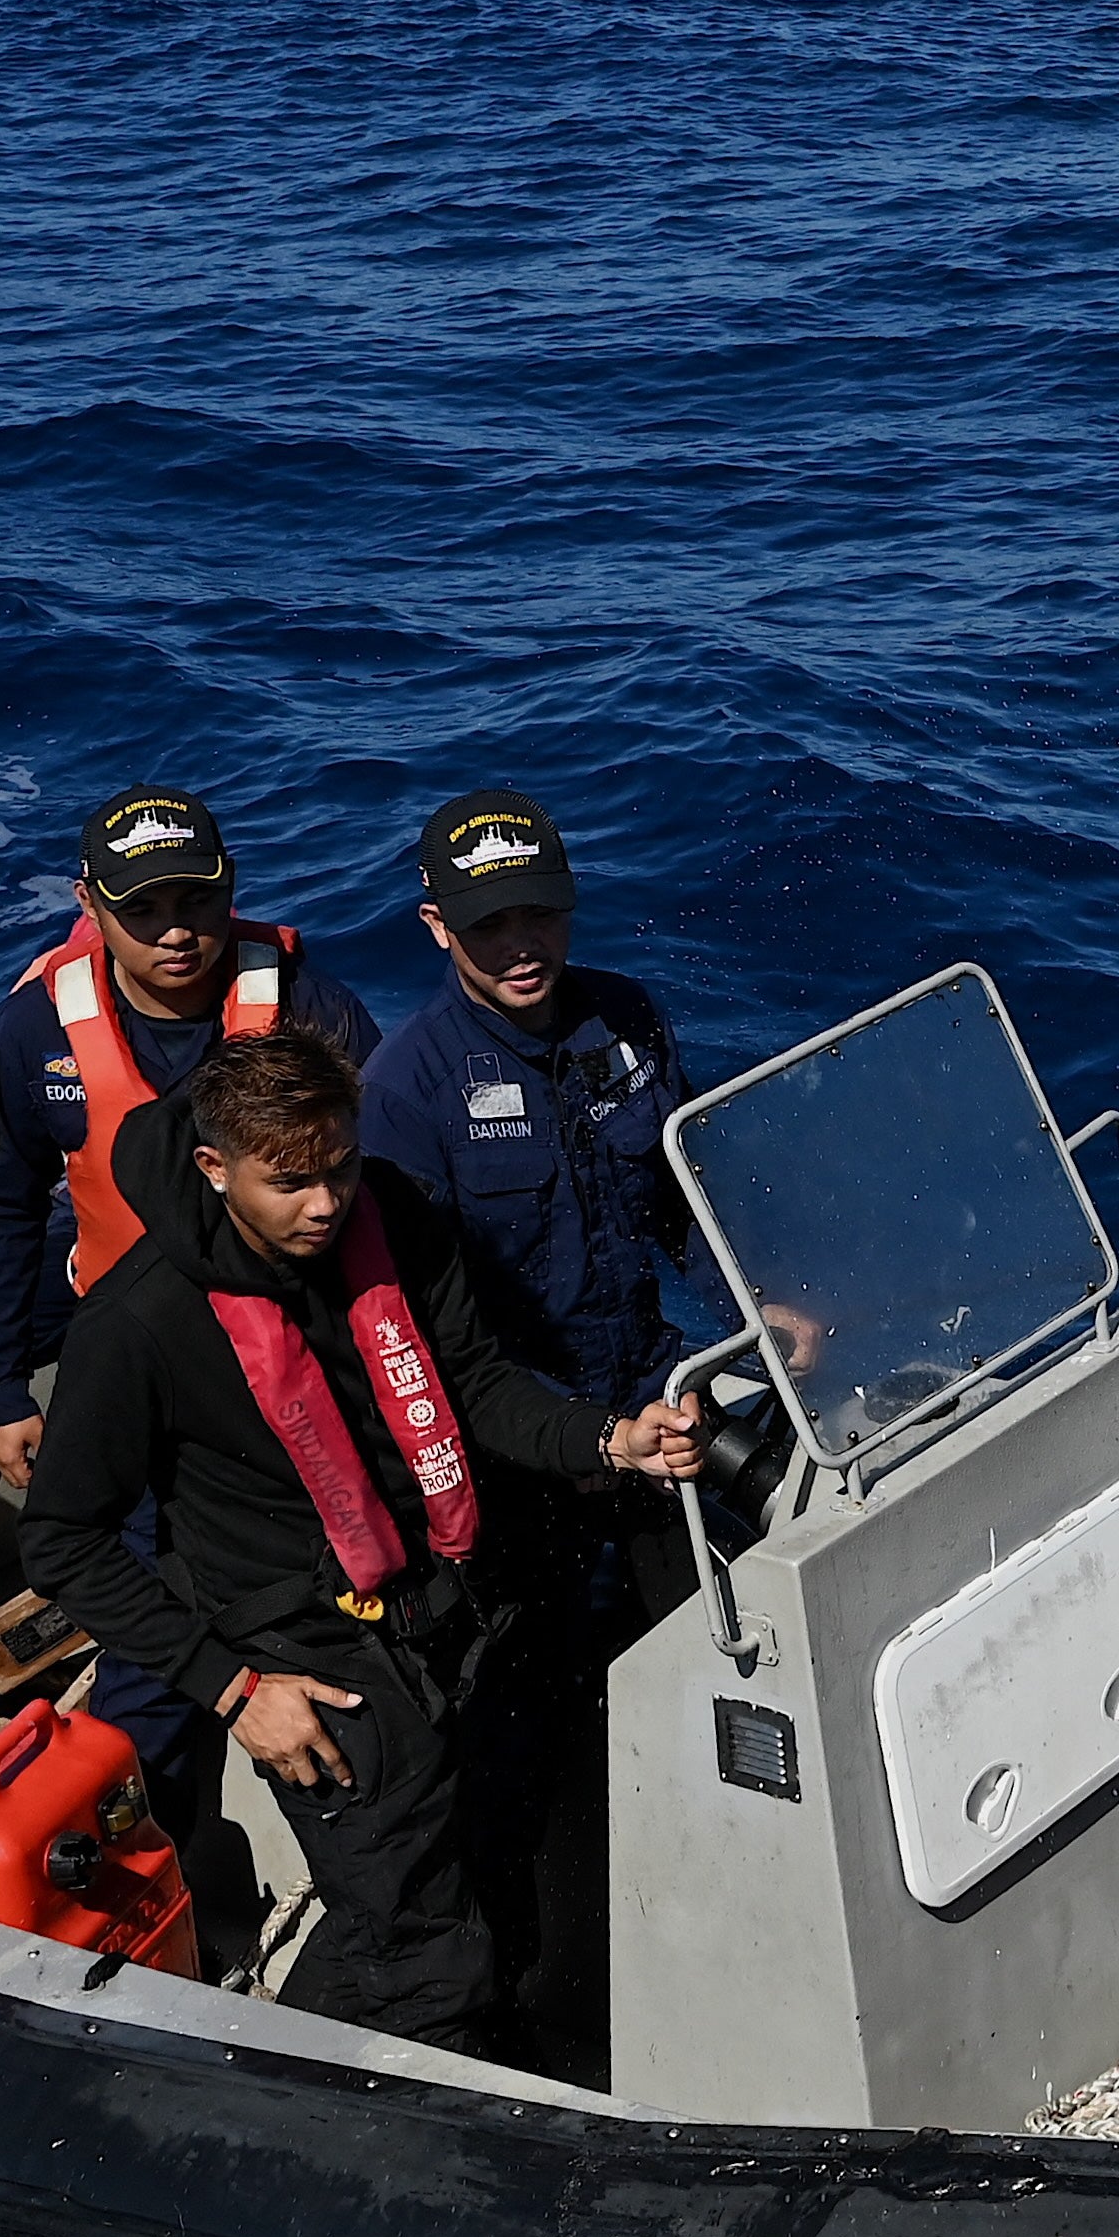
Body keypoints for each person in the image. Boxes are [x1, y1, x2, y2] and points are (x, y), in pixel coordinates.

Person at [18, 1028, 704, 2056]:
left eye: (338, 1167)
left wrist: (610, 1441)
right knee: (425, 1957)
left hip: (454, 1600)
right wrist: (234, 1692)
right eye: (290, 1183)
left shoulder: (396, 1216)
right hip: (310, 1669)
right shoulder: (139, 1324)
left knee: (506, 1869)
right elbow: (62, 1543)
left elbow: (475, 1386)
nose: (326, 1204)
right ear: (214, 1169)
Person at [0, 785, 377, 1869]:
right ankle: (177, 1875)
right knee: (150, 1671)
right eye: (144, 910)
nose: (177, 930)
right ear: (91, 905)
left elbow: (386, 1199)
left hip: (296, 1380)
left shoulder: (312, 1010)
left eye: (197, 900)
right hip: (136, 1383)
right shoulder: (37, 1027)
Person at [354, 788, 706, 2078]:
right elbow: (428, 1351)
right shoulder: (406, 1092)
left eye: (540, 913)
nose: (522, 944)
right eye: (491, 921)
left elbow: (688, 1194)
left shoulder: (629, 1019)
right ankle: (562, 2023)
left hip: (662, 1411)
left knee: (703, 1676)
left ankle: (714, 1921)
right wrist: (584, 1440)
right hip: (518, 1468)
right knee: (540, 1745)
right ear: (435, 923)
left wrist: (767, 1293)